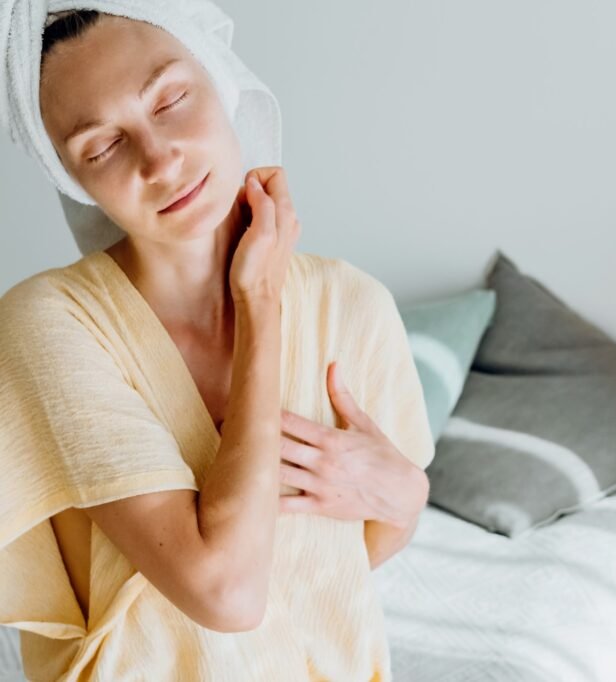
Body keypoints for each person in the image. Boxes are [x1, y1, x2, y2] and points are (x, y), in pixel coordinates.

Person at [0, 8, 434, 681]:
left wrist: (408, 494)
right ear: (69, 179)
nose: (160, 158)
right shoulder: (49, 321)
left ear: (222, 81)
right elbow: (225, 592)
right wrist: (259, 302)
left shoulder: (354, 305)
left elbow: (352, 547)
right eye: (101, 147)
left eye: (172, 99)